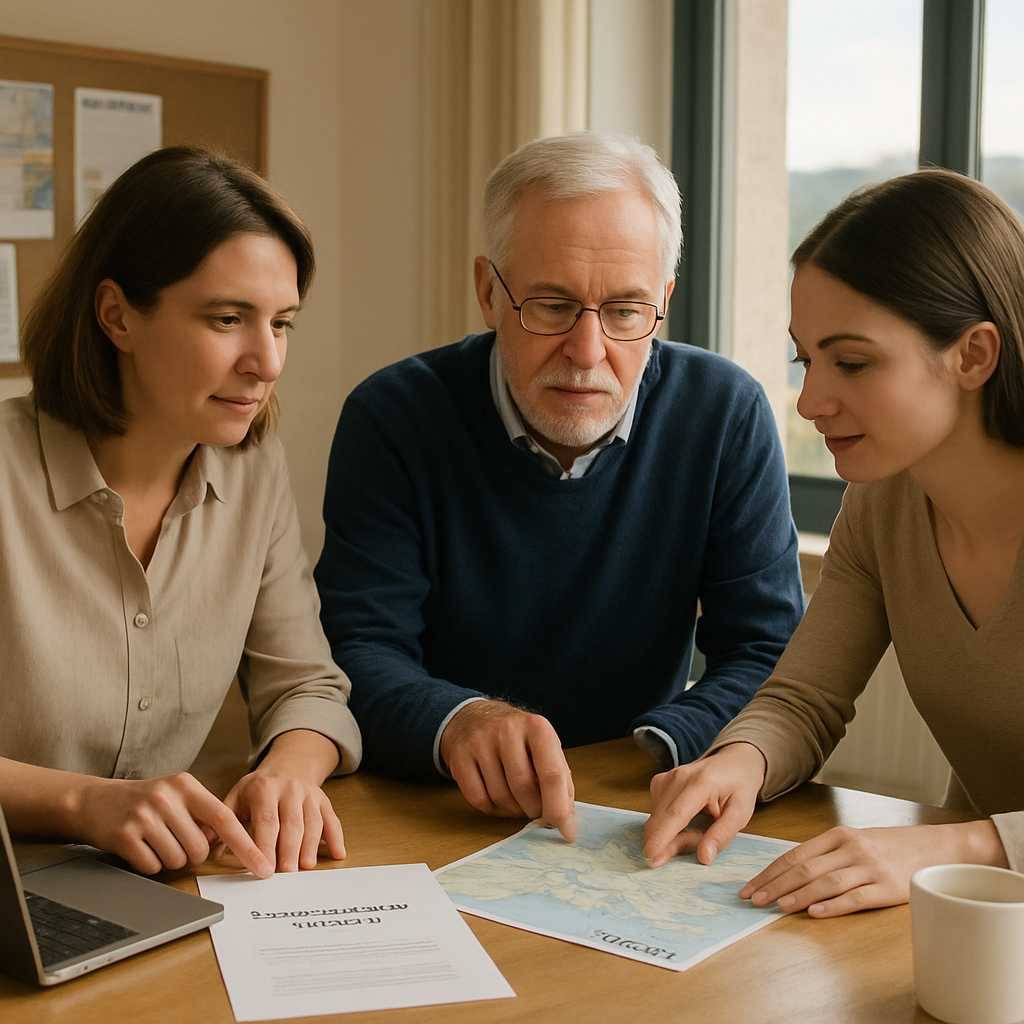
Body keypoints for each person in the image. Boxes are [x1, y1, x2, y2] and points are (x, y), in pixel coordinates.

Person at [314, 130, 803, 841]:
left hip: (641, 804)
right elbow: (355, 646)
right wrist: (458, 722)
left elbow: (769, 652)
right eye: (551, 305)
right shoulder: (395, 416)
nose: (587, 350)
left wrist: (654, 744)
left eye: (626, 312)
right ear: (489, 291)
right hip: (436, 810)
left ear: (662, 301)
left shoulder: (725, 413)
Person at [643, 168, 1024, 917]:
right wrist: (738, 762)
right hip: (985, 922)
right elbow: (803, 698)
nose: (812, 401)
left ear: (975, 355)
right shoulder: (882, 504)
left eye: (851, 362)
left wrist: (965, 846)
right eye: (805, 359)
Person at [0, 147, 361, 878]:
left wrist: (289, 771)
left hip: (156, 897)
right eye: (228, 319)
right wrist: (81, 803)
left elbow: (307, 686)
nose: (267, 361)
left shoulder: (251, 472)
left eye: (282, 323)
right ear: (117, 316)